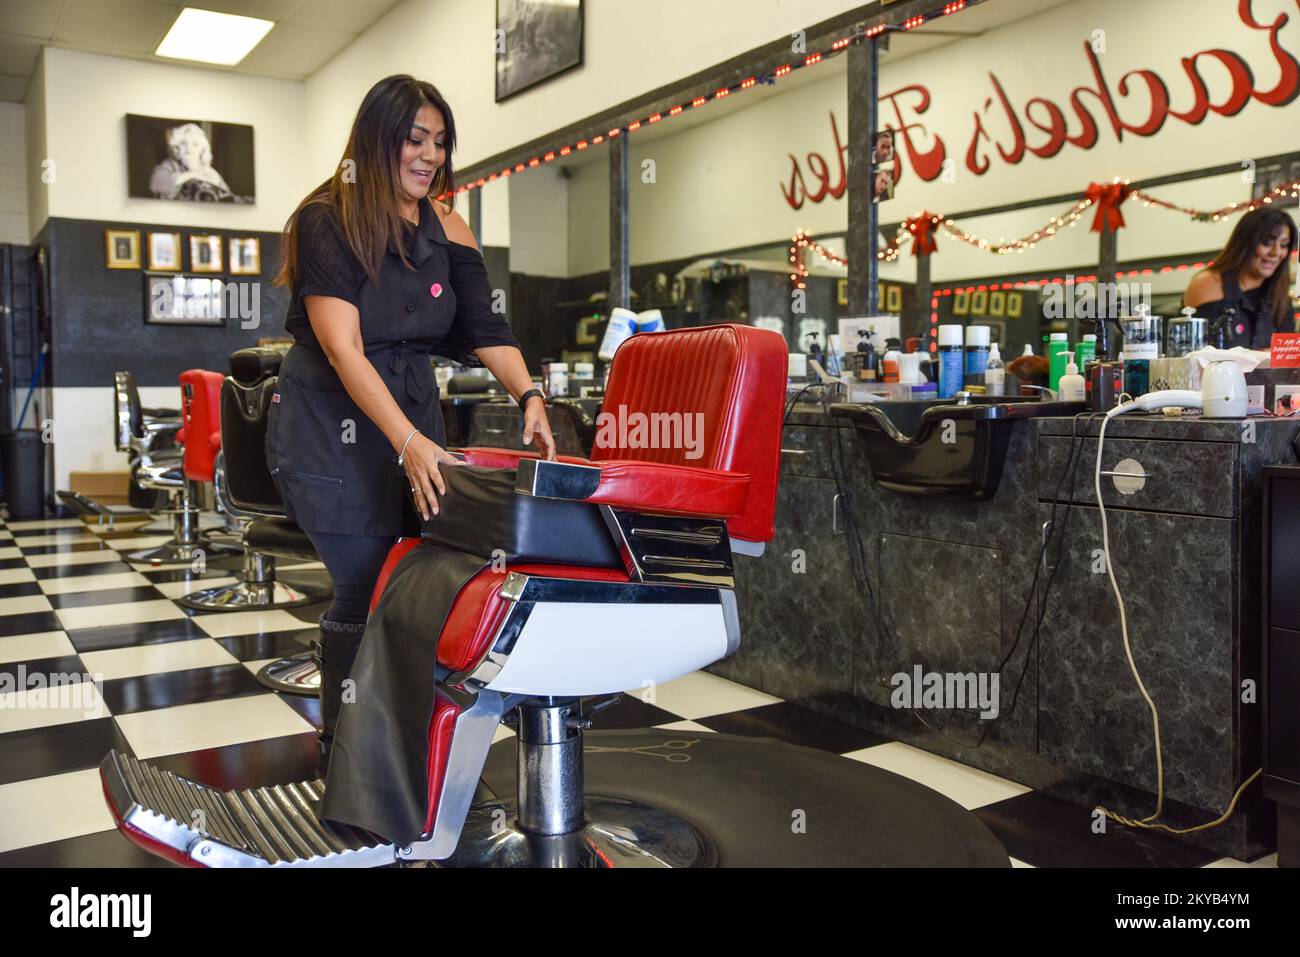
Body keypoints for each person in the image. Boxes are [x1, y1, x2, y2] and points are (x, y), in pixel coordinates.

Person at [269, 74, 556, 767]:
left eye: (441, 142)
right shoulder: (326, 219)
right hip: (330, 427)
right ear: (377, 140)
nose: (430, 155)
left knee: (415, 574)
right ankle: (349, 755)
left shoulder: (448, 226)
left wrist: (530, 396)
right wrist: (406, 441)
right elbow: (342, 347)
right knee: (366, 578)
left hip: (412, 421)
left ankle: (400, 745)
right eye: (415, 139)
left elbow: (485, 325)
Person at [1183, 207, 1297, 349]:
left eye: (1284, 245)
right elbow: (1195, 354)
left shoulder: (1281, 299)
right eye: (1267, 242)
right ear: (1246, 242)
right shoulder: (1208, 284)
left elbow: (1287, 361)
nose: (1276, 252)